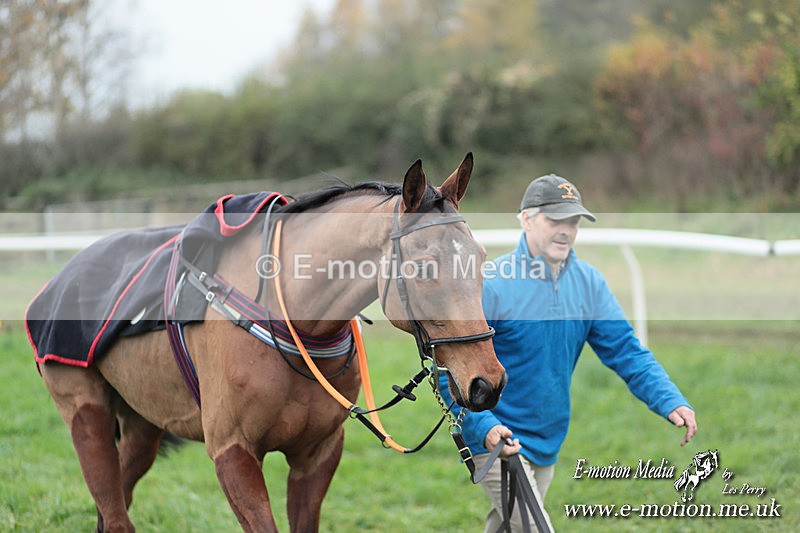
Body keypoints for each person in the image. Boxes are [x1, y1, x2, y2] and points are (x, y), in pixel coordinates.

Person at [439, 174, 697, 531]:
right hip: (496, 438)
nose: (566, 230)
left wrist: (670, 400)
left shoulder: (589, 284)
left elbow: (625, 350)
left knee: (508, 527)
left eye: (573, 221)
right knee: (535, 527)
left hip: (547, 438)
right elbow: (447, 370)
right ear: (526, 219)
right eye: (555, 219)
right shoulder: (492, 283)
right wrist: (484, 426)